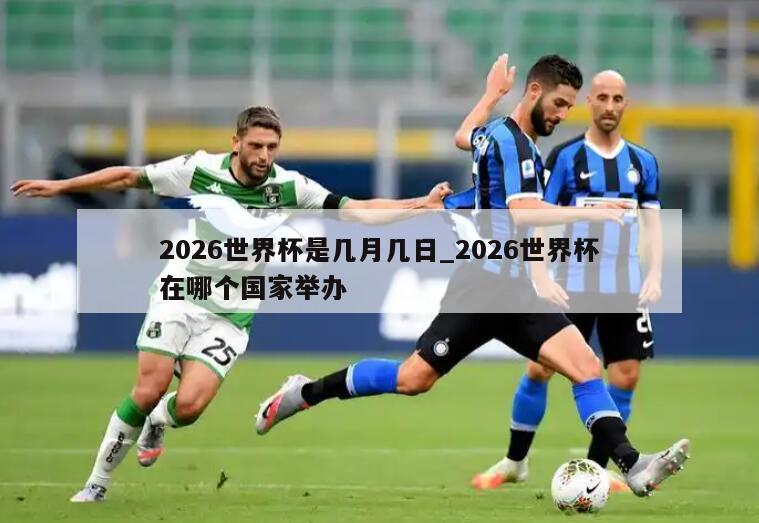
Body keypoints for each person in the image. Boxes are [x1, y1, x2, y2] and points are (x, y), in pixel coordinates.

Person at [254, 55, 689, 498]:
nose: (562, 115)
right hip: (481, 287)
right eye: (559, 103)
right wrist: (592, 212)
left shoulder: (497, 133)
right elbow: (523, 213)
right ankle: (305, 392)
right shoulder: (516, 145)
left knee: (585, 367)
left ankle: (633, 465)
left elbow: (464, 136)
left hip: (517, 290)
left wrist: (490, 96)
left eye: (569, 107)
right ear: (534, 92)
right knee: (412, 379)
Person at [11, 106, 453, 502]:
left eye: (272, 147)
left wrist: (421, 205)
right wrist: (61, 186)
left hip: (232, 310)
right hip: (182, 291)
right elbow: (130, 176)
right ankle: (96, 484)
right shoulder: (199, 170)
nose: (264, 155)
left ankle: (158, 422)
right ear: (236, 142)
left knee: (189, 407)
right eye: (256, 145)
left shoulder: (289, 187)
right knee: (148, 389)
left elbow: (357, 210)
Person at [471, 70, 663, 493]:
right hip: (571, 279)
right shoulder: (564, 157)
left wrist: (655, 274)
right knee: (541, 366)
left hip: (624, 285)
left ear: (626, 103)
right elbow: (537, 215)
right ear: (589, 102)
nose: (609, 106)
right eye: (602, 98)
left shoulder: (643, 162)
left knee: (626, 374)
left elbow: (653, 224)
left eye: (617, 98)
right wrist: (540, 273)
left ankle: (596, 470)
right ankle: (515, 461)